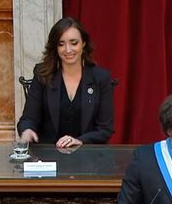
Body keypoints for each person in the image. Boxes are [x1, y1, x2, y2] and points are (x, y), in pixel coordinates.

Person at [17, 17, 113, 148]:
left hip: (88, 157)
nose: (68, 50)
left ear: (83, 43)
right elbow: (28, 119)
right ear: (55, 47)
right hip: (48, 156)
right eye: (61, 44)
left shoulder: (101, 78)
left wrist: (80, 141)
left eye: (74, 43)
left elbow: (105, 129)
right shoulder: (43, 75)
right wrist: (27, 130)